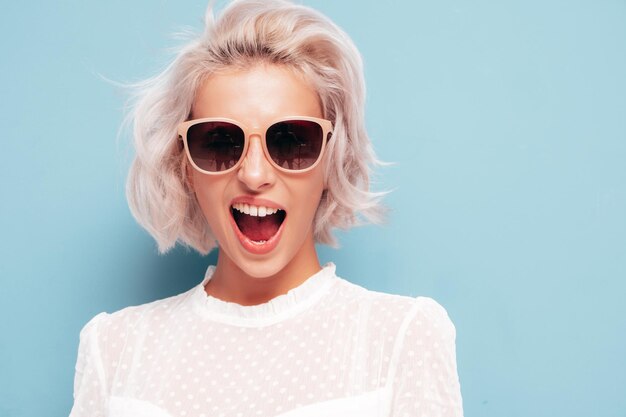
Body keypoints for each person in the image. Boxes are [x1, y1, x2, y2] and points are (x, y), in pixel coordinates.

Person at [69, 1, 463, 416]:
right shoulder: (114, 348)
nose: (254, 175)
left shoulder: (401, 338)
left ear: (332, 159)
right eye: (220, 143)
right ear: (183, 165)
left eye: (291, 142)